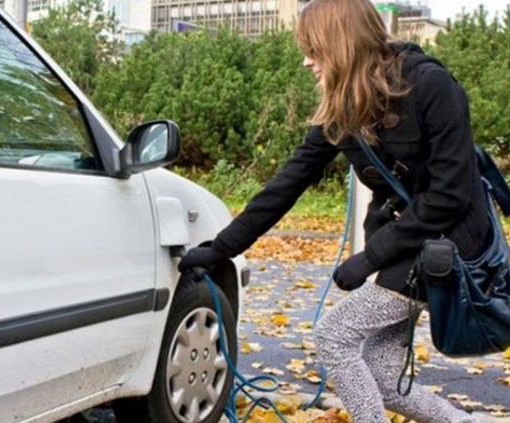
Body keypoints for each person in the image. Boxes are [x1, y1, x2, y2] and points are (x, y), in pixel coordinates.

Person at [178, 0, 491, 421]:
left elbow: (450, 196)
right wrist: (220, 249)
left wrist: (369, 258)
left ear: (342, 45)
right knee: (382, 375)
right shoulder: (345, 107)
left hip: (449, 242)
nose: (308, 62)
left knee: (335, 337)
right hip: (406, 241)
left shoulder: (432, 87)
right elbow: (284, 187)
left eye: (314, 50)